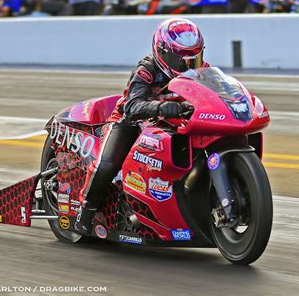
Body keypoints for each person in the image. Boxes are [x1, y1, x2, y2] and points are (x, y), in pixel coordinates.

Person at [74, 18, 209, 235]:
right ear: (162, 52)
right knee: (106, 165)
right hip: (130, 122)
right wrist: (163, 107)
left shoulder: (202, 71)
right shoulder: (147, 69)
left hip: (171, 125)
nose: (187, 66)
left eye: (193, 58)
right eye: (180, 59)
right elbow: (132, 105)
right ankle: (86, 209)